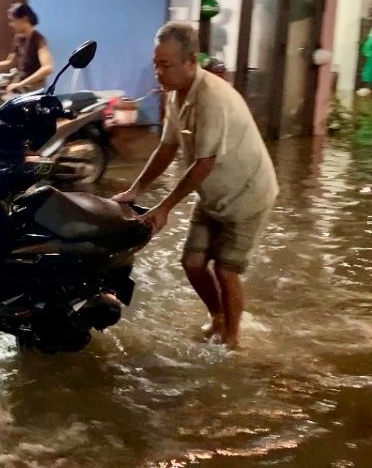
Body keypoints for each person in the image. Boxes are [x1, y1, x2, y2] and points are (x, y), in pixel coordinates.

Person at [112, 22, 278, 350]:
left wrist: (165, 208)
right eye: (156, 64)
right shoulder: (176, 95)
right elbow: (167, 147)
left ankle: (233, 342)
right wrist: (136, 190)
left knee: (226, 269)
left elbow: (204, 163)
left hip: (247, 193)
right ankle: (217, 318)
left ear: (191, 61)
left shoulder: (211, 97)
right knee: (192, 262)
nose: (158, 73)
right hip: (213, 194)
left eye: (166, 65)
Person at [0, 3, 54, 93]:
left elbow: (47, 68)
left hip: (33, 89)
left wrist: (21, 84)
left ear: (24, 19)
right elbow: (10, 62)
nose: (10, 24)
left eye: (13, 20)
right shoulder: (18, 38)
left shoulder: (38, 39)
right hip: (19, 86)